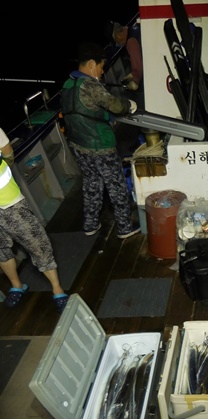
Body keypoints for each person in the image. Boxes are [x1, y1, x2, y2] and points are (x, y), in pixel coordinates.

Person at [61, 41, 140, 239]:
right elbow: (115, 106)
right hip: (100, 146)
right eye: (101, 66)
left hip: (78, 145)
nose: (102, 72)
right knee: (116, 185)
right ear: (91, 64)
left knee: (91, 184)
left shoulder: (68, 83)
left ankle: (90, 224)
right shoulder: (90, 85)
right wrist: (129, 105)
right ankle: (124, 227)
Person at [0, 128, 69, 312]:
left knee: (38, 245)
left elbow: (7, 152)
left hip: (10, 204)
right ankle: (17, 285)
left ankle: (57, 289)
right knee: (1, 251)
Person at [112, 21, 143, 93]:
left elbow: (138, 70)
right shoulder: (133, 28)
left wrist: (134, 82)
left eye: (115, 40)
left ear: (118, 34)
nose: (117, 43)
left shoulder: (130, 42)